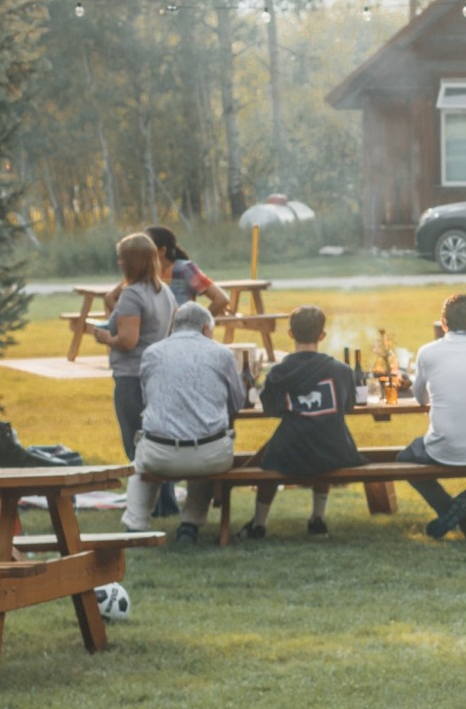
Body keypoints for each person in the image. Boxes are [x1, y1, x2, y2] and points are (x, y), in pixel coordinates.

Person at [238, 305, 365, 540]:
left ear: (290, 334)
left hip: (290, 452)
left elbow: (271, 410)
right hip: (334, 451)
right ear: (322, 336)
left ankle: (258, 524)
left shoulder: (278, 372)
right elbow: (348, 407)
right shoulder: (341, 370)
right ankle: (317, 520)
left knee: (269, 455)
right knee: (323, 430)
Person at [120, 303, 244, 542]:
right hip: (209, 456)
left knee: (139, 464)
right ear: (206, 328)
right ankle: (190, 523)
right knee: (207, 446)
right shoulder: (222, 353)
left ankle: (135, 525)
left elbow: (149, 400)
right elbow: (237, 402)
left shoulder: (152, 353)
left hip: (160, 454)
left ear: (173, 327)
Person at [402, 293, 466, 541]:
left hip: (442, 448)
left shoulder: (428, 352)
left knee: (402, 460)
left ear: (443, 324)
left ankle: (450, 509)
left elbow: (420, 399)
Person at [93, 233, 176, 466]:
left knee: (136, 446)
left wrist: (105, 338)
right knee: (157, 444)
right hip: (157, 375)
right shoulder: (164, 292)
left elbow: (128, 340)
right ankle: (165, 503)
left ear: (132, 261)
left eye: (122, 258)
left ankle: (146, 501)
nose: (119, 263)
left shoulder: (132, 294)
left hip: (132, 377)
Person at [143, 225, 229, 317]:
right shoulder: (146, 273)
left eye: (146, 244)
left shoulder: (185, 269)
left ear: (162, 250)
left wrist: (198, 324)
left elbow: (221, 299)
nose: (140, 248)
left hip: (181, 329)